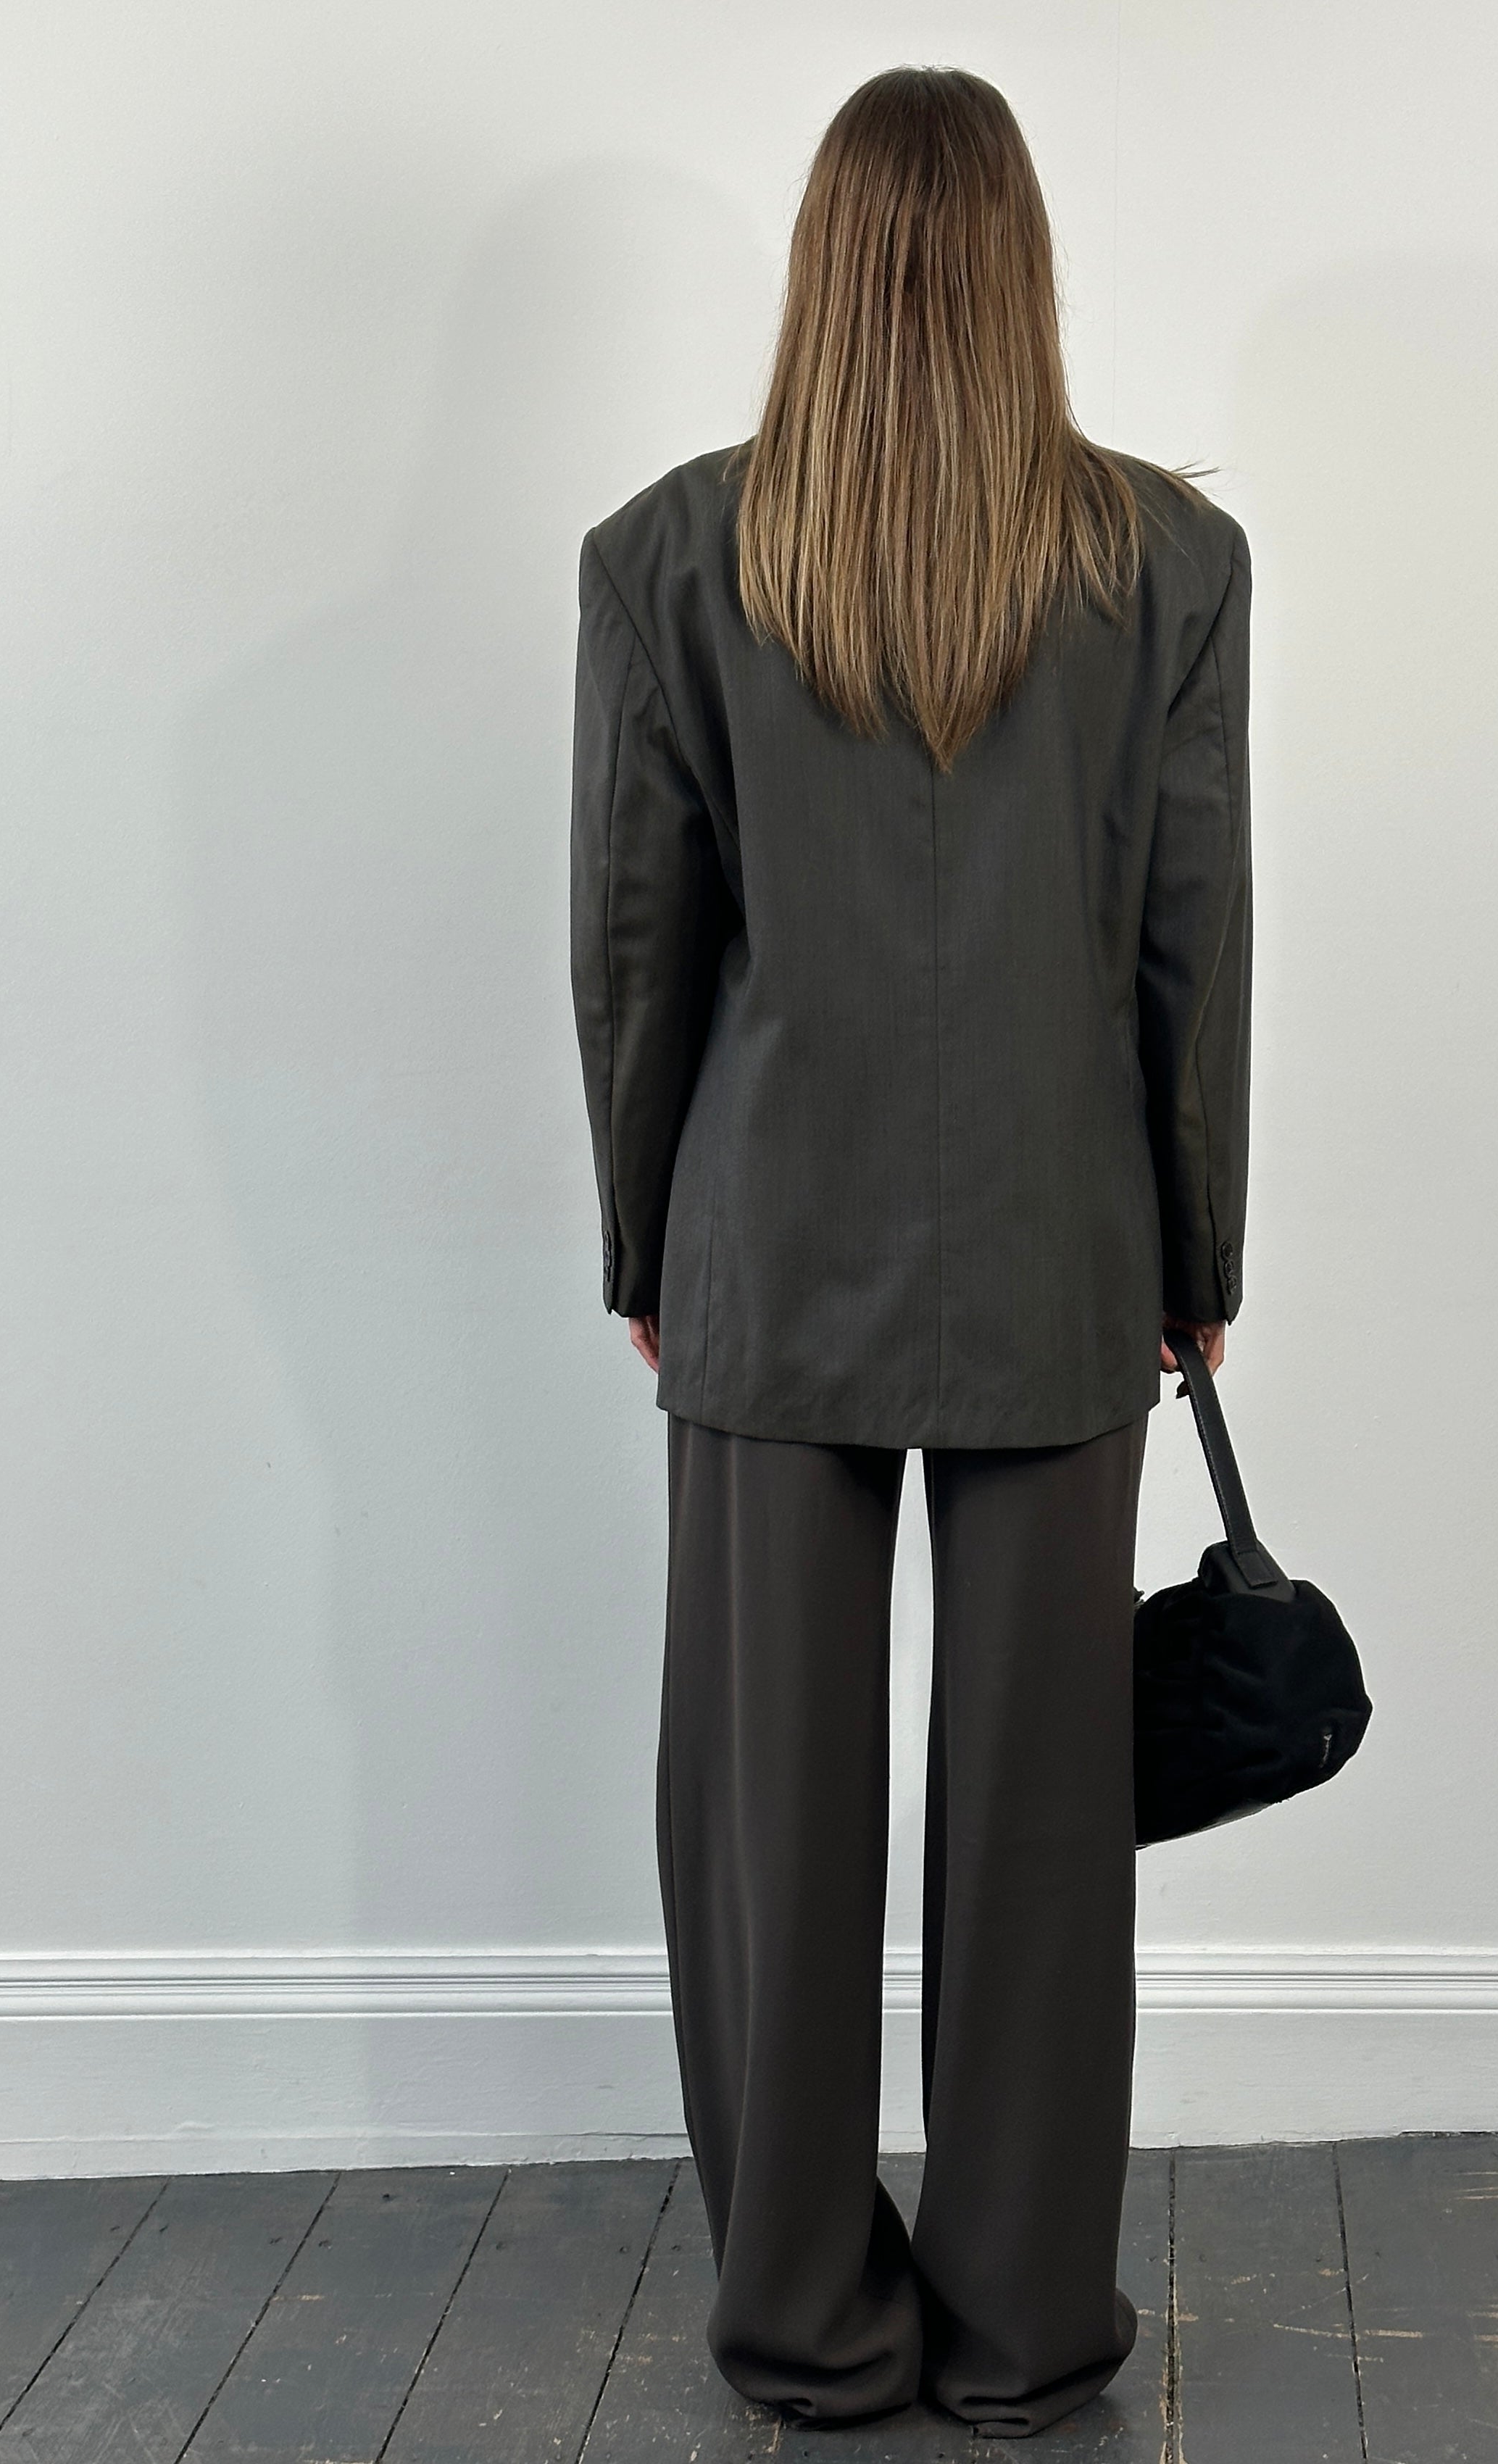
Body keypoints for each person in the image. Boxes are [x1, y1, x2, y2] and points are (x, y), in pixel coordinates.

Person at [569, 63, 1250, 2440]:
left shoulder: (673, 555)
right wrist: (1199, 1243)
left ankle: (806, 2322)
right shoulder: (1168, 560)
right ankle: (1026, 2324)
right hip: (1066, 1242)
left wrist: (644, 1233)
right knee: (1047, 1808)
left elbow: (637, 948)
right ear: (1027, 264)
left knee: (766, 1816)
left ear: (821, 266)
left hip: (768, 1240)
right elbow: (1189, 943)